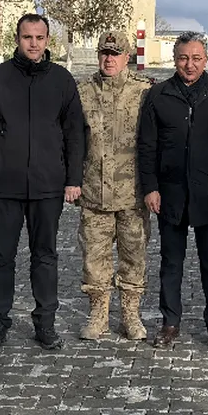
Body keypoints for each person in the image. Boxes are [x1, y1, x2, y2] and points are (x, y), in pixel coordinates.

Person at [0, 13, 85, 351]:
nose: (33, 43)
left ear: (48, 40)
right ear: (16, 39)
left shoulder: (62, 81)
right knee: (1, 256)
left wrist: (73, 179)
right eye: (26, 37)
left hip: (48, 184)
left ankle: (45, 324)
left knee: (45, 256)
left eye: (39, 37)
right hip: (4, 183)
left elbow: (75, 134)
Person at [138, 31, 208, 351]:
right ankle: (170, 322)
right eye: (183, 58)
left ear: (206, 60)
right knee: (171, 261)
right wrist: (150, 187)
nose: (189, 65)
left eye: (196, 58)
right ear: (174, 59)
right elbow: (146, 146)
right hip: (170, 193)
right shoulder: (158, 95)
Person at [76, 31, 150, 341]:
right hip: (94, 191)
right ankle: (99, 314)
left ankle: (131, 315)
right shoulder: (81, 92)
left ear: (127, 57)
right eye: (105, 53)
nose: (109, 59)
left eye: (116, 54)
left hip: (132, 193)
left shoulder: (144, 93)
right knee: (94, 258)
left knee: (134, 256)